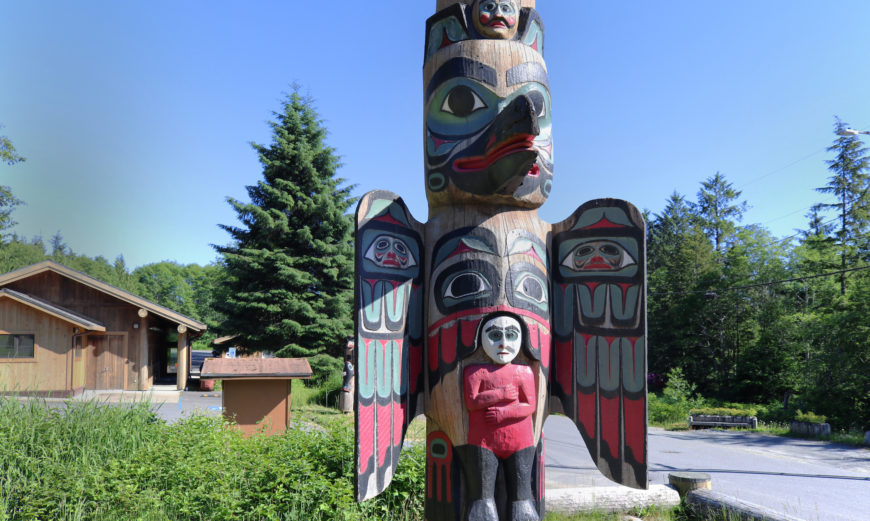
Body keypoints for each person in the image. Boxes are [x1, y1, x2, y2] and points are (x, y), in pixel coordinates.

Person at [460, 312, 538, 521]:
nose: (503, 343)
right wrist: (500, 394)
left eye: (511, 336)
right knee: (481, 499)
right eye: (495, 335)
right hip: (482, 441)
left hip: (521, 441)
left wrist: (503, 412)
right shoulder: (475, 372)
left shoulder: (524, 372)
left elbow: (530, 405)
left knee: (522, 498)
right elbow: (472, 402)